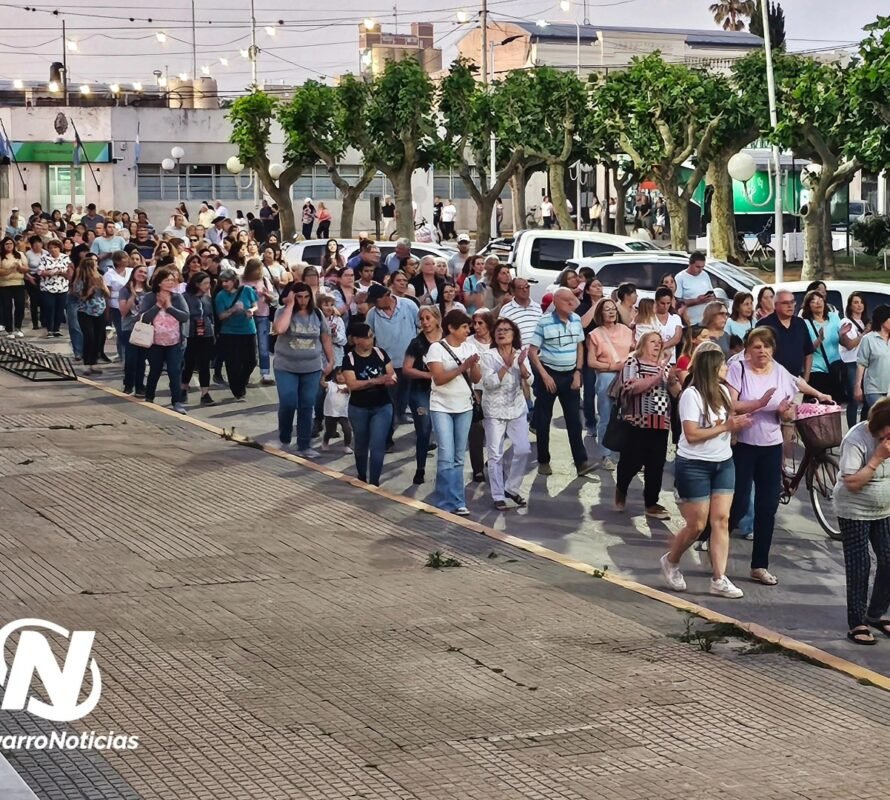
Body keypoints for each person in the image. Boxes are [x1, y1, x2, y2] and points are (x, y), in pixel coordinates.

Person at [726, 327, 832, 585]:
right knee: (739, 503)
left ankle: (759, 565)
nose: (761, 351)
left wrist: (787, 410)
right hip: (744, 444)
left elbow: (791, 398)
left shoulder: (780, 371)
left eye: (766, 346)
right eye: (756, 346)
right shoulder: (738, 369)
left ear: (773, 349)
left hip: (771, 446)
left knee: (768, 507)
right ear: (748, 350)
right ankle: (715, 537)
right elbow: (732, 404)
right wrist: (760, 404)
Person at [660, 348, 751, 598]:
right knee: (697, 525)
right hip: (694, 464)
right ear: (711, 367)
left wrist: (740, 423)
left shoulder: (722, 392)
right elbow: (691, 434)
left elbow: (730, 418)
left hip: (723, 463)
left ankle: (719, 578)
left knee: (721, 520)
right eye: (722, 365)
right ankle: (671, 560)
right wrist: (727, 426)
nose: (726, 369)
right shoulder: (691, 395)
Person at [834, 397, 890, 645]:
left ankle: (876, 613)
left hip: (884, 508)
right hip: (854, 509)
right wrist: (877, 458)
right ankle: (856, 622)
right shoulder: (857, 439)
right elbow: (852, 483)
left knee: (889, 558)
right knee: (860, 564)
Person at [529, 288, 595, 476]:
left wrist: (578, 372)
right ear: (557, 302)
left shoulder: (575, 320)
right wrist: (545, 375)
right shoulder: (544, 322)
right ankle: (543, 460)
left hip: (570, 374)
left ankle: (581, 463)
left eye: (572, 299)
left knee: (574, 420)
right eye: (567, 300)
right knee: (543, 419)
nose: (572, 303)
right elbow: (532, 352)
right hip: (549, 374)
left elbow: (579, 346)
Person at [614, 332, 680, 519]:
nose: (657, 345)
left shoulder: (666, 368)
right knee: (632, 462)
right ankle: (621, 488)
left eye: (660, 342)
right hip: (637, 422)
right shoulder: (632, 363)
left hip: (660, 423)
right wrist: (658, 375)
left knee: (656, 464)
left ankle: (651, 503)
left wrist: (673, 380)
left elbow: (676, 393)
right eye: (653, 342)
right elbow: (632, 387)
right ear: (643, 344)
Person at [425, 309, 482, 515]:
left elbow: (475, 379)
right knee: (446, 455)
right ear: (451, 328)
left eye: (469, 327)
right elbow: (438, 378)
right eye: (465, 327)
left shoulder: (469, 346)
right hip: (441, 406)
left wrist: (473, 366)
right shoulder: (436, 349)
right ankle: (444, 500)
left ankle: (458, 501)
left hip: (464, 406)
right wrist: (462, 367)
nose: (469, 330)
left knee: (459, 456)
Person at [272, 281, 334, 457]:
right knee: (288, 402)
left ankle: (304, 445)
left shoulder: (317, 313)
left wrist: (331, 360)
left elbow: (325, 337)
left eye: (306, 296)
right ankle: (284, 437)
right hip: (286, 366)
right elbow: (280, 329)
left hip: (312, 366)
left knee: (307, 405)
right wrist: (289, 305)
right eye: (299, 296)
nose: (303, 300)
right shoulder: (282, 312)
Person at [481, 317, 532, 510]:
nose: (502, 333)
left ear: (514, 334)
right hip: (494, 409)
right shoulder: (488, 356)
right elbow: (489, 384)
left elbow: (531, 380)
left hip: (516, 407)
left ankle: (512, 487)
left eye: (506, 330)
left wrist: (522, 366)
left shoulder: (520, 354)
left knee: (523, 449)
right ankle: (498, 494)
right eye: (499, 330)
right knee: (495, 453)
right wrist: (506, 365)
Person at [341, 323, 396, 486]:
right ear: (357, 340)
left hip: (382, 405)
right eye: (367, 337)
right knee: (361, 443)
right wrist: (375, 381)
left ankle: (374, 482)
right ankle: (362, 476)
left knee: (378, 443)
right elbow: (352, 384)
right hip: (359, 407)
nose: (371, 339)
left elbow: (391, 374)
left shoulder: (380, 353)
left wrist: (390, 380)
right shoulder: (349, 359)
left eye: (372, 336)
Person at [136, 267, 189, 414]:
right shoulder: (149, 297)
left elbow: (185, 316)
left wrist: (170, 307)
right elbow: (144, 318)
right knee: (155, 370)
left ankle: (176, 401)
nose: (171, 283)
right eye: (167, 280)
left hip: (175, 341)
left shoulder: (178, 297)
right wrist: (158, 306)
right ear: (159, 283)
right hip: (154, 341)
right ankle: (149, 397)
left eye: (173, 280)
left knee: (174, 371)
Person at [588, 298, 634, 464]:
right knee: (606, 416)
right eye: (607, 309)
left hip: (627, 376)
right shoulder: (594, 334)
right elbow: (591, 362)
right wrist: (612, 366)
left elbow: (635, 351)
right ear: (600, 313)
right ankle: (605, 454)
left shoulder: (627, 331)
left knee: (629, 417)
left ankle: (628, 452)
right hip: (606, 376)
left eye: (613, 309)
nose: (611, 312)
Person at [403, 306, 442, 485]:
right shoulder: (417, 343)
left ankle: (445, 469)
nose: (425, 322)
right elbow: (407, 369)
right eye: (422, 319)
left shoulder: (446, 339)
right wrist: (428, 375)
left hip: (443, 390)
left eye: (428, 318)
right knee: (424, 429)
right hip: (421, 390)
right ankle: (420, 468)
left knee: (443, 431)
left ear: (436, 318)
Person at [214, 268, 258, 401]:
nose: (224, 284)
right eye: (222, 282)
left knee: (251, 361)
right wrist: (233, 310)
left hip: (248, 330)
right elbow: (221, 316)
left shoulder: (247, 290)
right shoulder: (220, 296)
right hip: (230, 332)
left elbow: (255, 305)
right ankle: (237, 390)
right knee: (232, 363)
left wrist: (251, 310)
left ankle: (242, 381)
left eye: (227, 281)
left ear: (234, 281)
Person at [757, 289, 815, 378]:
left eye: (792, 302)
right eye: (785, 303)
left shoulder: (800, 323)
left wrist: (806, 378)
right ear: (776, 305)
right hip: (771, 380)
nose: (790, 306)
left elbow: (808, 353)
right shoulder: (764, 325)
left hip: (796, 382)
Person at [800, 289, 843, 401]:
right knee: (819, 406)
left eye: (820, 299)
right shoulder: (805, 323)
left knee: (834, 405)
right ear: (808, 306)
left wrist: (843, 334)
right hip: (817, 369)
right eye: (813, 301)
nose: (818, 303)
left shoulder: (833, 317)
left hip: (834, 367)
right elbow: (807, 349)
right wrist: (819, 339)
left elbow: (842, 341)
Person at [181, 271, 216, 406]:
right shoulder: (185, 297)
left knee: (204, 364)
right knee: (189, 362)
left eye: (209, 283)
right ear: (197, 284)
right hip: (190, 333)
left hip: (206, 333)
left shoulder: (207, 299)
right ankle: (183, 388)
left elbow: (211, 315)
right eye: (205, 283)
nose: (208, 286)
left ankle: (205, 393)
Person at [71, 254, 109, 376]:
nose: (97, 266)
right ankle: (87, 363)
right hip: (85, 311)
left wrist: (102, 286)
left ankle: (94, 363)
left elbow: (107, 294)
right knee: (89, 337)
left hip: (100, 310)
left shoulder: (101, 277)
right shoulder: (80, 281)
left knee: (99, 337)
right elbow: (79, 297)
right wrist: (90, 290)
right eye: (94, 265)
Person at [241, 258, 277, 386]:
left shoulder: (265, 281)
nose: (259, 271)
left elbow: (273, 299)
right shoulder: (242, 281)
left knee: (263, 345)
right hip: (246, 316)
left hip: (263, 314)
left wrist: (268, 296)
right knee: (247, 346)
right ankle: (244, 373)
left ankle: (265, 373)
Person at [118, 265, 149, 396]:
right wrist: (133, 295)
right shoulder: (125, 290)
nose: (142, 274)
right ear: (134, 273)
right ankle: (128, 384)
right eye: (140, 271)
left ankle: (140, 385)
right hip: (129, 328)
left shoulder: (149, 291)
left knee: (141, 359)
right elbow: (124, 311)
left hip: (145, 328)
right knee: (131, 358)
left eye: (145, 272)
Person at [840, 292, 869, 429]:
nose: (859, 305)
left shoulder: (866, 322)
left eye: (861, 302)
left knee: (867, 398)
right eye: (856, 302)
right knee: (854, 399)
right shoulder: (846, 322)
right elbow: (849, 344)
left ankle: (864, 426)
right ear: (850, 306)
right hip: (851, 363)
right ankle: (852, 429)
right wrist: (864, 334)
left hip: (865, 363)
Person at [855, 304, 890, 415]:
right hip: (874, 389)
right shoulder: (868, 339)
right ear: (882, 320)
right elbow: (861, 364)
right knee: (883, 416)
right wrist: (857, 387)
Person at [37, 238, 70, 338]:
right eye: (51, 248)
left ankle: (57, 329)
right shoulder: (44, 258)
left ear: (59, 248)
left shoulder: (65, 258)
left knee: (60, 309)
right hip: (48, 288)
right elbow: (40, 272)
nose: (53, 250)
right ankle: (49, 329)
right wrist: (50, 272)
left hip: (62, 287)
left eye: (55, 247)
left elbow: (69, 272)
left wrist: (61, 272)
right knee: (49, 307)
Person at [673, 251, 714, 325]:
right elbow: (677, 302)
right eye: (697, 267)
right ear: (690, 264)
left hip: (706, 320)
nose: (700, 270)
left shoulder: (705, 275)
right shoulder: (680, 277)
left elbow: (711, 292)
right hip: (690, 321)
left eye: (702, 267)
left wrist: (711, 298)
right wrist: (696, 301)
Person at [0, 236, 28, 338]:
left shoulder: (20, 255)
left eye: (10, 244)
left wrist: (20, 268)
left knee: (20, 306)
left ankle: (18, 328)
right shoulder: (1, 256)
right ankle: (9, 330)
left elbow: (26, 268)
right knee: (7, 307)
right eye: (6, 244)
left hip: (19, 284)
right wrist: (11, 269)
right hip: (5, 285)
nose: (9, 246)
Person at [321, 370, 352, 453]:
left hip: (343, 413)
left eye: (343, 374)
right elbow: (323, 384)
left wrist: (348, 389)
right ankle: (325, 442)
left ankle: (347, 446)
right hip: (330, 413)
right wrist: (324, 374)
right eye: (338, 374)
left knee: (347, 430)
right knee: (329, 431)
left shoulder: (348, 386)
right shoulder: (331, 384)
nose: (341, 376)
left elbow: (352, 390)